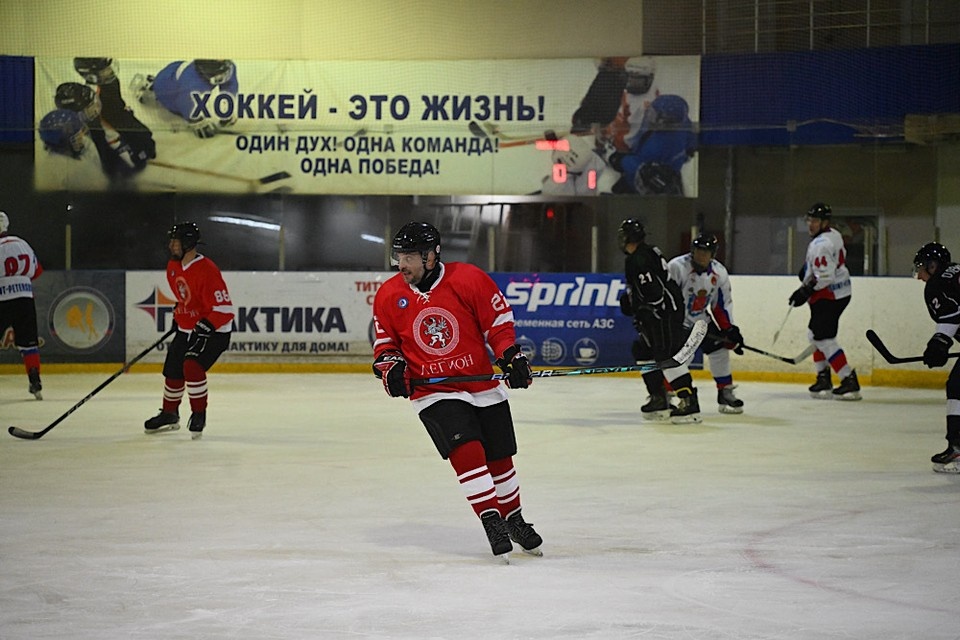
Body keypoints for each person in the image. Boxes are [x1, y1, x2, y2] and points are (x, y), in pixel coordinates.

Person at [371, 221, 542, 561]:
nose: (401, 265)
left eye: (409, 257)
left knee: (500, 457)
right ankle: (491, 520)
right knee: (468, 448)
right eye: (398, 257)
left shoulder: (468, 279)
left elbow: (498, 325)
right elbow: (385, 347)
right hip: (434, 392)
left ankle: (514, 519)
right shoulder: (389, 295)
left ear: (431, 256)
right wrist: (392, 368)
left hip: (480, 383)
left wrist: (510, 355)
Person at [144, 222, 234, 439]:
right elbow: (185, 299)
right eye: (171, 241)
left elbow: (224, 309)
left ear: (188, 244)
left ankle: (198, 414)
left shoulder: (208, 270)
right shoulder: (173, 267)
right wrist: (180, 313)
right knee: (173, 369)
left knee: (191, 365)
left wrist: (207, 324)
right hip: (187, 329)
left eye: (176, 241)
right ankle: (169, 413)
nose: (171, 245)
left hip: (215, 330)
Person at [617, 218, 701, 423]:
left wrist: (647, 308)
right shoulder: (649, 251)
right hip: (664, 310)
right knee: (643, 350)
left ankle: (689, 402)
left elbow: (653, 291)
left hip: (663, 313)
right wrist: (634, 302)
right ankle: (659, 397)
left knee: (666, 355)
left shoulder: (638, 259)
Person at [667, 233, 746, 414]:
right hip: (677, 324)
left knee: (719, 350)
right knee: (677, 360)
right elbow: (668, 299)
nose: (701, 255)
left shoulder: (719, 273)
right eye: (698, 251)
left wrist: (729, 330)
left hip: (701, 321)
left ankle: (725, 391)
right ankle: (667, 394)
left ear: (713, 254)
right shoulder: (677, 267)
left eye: (706, 252)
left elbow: (720, 305)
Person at [788, 202, 860, 400]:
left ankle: (848, 379)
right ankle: (823, 378)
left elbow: (824, 277)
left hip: (830, 296)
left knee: (823, 338)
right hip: (839, 291)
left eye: (815, 221)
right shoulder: (833, 235)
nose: (811, 224)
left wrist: (804, 291)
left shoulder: (822, 245)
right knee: (815, 334)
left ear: (825, 222)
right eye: (809, 220)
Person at [914, 242, 960, 473]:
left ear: (933, 266)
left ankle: (958, 449)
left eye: (921, 268)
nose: (919, 275)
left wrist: (939, 342)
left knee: (957, 386)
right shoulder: (956, 272)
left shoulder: (937, 284)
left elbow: (953, 314)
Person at [0, 211, 44, 400]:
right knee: (29, 342)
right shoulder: (22, 243)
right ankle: (35, 379)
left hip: (2, 298)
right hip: (25, 298)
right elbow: (37, 271)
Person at [135, 59, 238, 138]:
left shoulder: (227, 67)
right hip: (165, 89)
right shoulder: (191, 85)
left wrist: (226, 109)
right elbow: (185, 104)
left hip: (175, 71)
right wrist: (198, 122)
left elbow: (230, 84)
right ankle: (152, 87)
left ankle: (155, 82)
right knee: (179, 101)